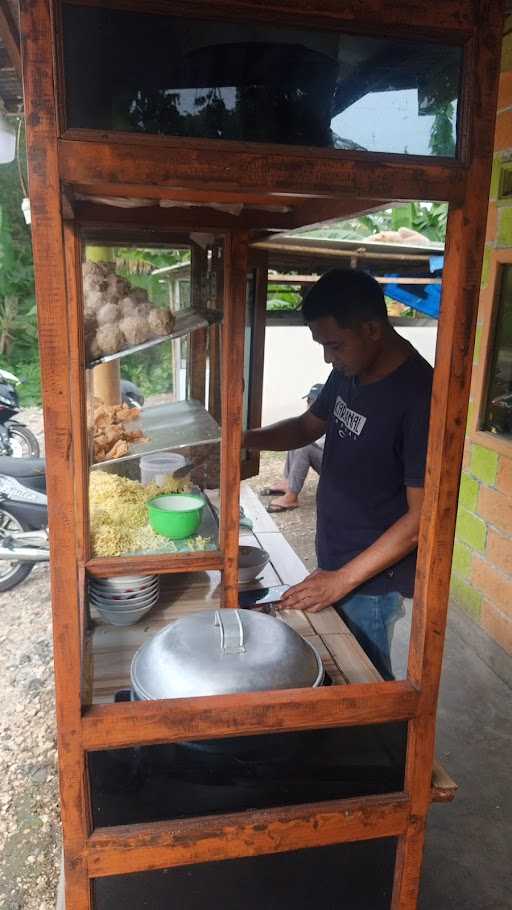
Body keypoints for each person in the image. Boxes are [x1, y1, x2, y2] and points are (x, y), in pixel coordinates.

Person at [244, 269, 432, 680]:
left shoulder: (419, 396)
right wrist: (241, 441)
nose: (329, 358)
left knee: (364, 678)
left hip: (373, 579)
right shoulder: (351, 368)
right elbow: (306, 426)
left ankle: (388, 742)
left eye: (334, 345)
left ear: (371, 329)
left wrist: (341, 581)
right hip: (337, 558)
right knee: (340, 668)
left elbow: (421, 521)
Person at [260, 383, 325, 512]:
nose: (310, 404)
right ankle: (288, 483)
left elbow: (316, 446)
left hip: (335, 469)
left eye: (314, 401)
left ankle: (292, 497)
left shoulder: (328, 420)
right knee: (295, 436)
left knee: (304, 446)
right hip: (325, 458)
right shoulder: (313, 419)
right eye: (309, 400)